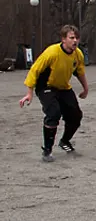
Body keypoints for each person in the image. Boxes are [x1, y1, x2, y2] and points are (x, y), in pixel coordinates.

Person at [18, 25, 89, 162]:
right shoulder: (52, 52)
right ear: (63, 39)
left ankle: (65, 142)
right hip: (46, 87)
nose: (75, 41)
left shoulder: (77, 54)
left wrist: (85, 89)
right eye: (71, 38)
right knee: (53, 113)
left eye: (77, 38)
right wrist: (29, 93)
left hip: (63, 87)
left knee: (76, 116)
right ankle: (47, 150)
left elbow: (79, 72)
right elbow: (34, 70)